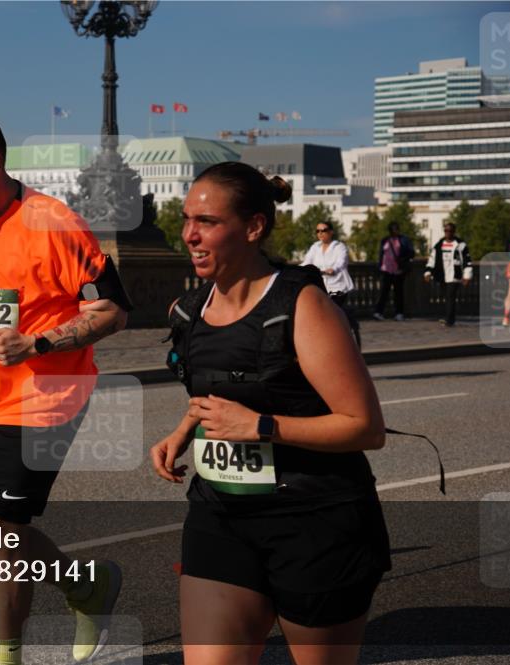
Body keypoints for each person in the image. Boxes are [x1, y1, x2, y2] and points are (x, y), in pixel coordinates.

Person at [151, 162, 390, 665]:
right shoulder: (190, 310)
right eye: (186, 219)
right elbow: (216, 392)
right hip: (221, 516)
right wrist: (182, 430)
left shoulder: (302, 305)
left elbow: (365, 427)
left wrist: (261, 427)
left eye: (208, 222)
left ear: (254, 227)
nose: (190, 235)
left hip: (314, 521)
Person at [0, 110, 132, 665]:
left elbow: (112, 311)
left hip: (47, 397)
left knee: (1, 530)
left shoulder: (52, 222)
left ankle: (6, 657)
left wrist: (36, 345)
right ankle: (86, 585)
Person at [300, 220, 360, 346]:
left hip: (338, 286)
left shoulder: (339, 247)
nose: (320, 233)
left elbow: (341, 262)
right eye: (318, 231)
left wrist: (333, 270)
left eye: (324, 230)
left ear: (331, 232)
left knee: (331, 312)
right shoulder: (315, 247)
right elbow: (307, 262)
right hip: (322, 286)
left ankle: (340, 337)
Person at [423, 222, 473, 327]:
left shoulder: (460, 245)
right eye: (446, 231)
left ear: (454, 232)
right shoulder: (439, 245)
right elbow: (432, 260)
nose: (448, 233)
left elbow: (467, 260)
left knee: (450, 296)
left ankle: (449, 320)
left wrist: (467, 275)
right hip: (442, 275)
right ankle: (450, 317)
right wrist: (428, 272)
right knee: (446, 297)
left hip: (455, 276)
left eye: (450, 231)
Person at [373, 222, 415, 321]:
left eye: (396, 229)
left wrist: (403, 259)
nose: (395, 231)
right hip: (386, 270)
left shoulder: (404, 240)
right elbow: (381, 254)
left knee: (398, 293)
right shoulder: (385, 240)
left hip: (398, 270)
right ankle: (379, 312)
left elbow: (411, 253)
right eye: (393, 229)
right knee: (384, 292)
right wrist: (379, 267)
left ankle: (399, 313)